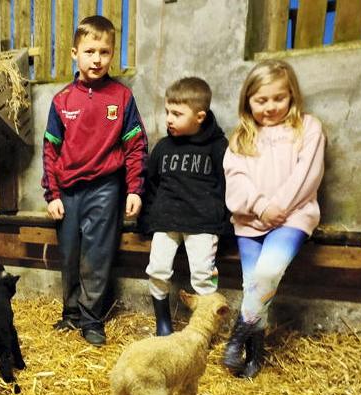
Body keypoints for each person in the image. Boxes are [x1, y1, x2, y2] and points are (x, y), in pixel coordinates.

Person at [42, 15, 148, 346]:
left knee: (97, 258)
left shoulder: (122, 97)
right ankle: (70, 315)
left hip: (106, 189)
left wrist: (134, 188)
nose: (97, 59)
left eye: (104, 51)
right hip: (68, 191)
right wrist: (52, 194)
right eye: (90, 51)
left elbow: (136, 146)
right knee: (70, 255)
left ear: (112, 53)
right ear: (75, 53)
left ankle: (91, 319)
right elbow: (50, 150)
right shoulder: (62, 101)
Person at [222, 59, 325, 378]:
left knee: (267, 273)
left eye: (279, 98)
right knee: (254, 286)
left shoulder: (307, 127)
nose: (270, 107)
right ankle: (256, 354)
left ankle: (236, 337)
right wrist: (260, 205)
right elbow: (235, 178)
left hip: (292, 219)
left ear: (292, 96)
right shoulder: (241, 136)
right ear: (248, 101)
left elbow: (306, 174)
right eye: (261, 100)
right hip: (250, 221)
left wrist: (277, 207)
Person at [138, 77, 229, 336]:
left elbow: (227, 186)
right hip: (166, 221)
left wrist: (224, 225)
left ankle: (204, 328)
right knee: (157, 270)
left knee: (202, 276)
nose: (169, 119)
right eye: (167, 111)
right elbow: (151, 184)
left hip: (202, 224)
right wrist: (146, 220)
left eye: (177, 113)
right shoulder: (164, 148)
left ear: (200, 116)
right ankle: (163, 322)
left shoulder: (218, 147)